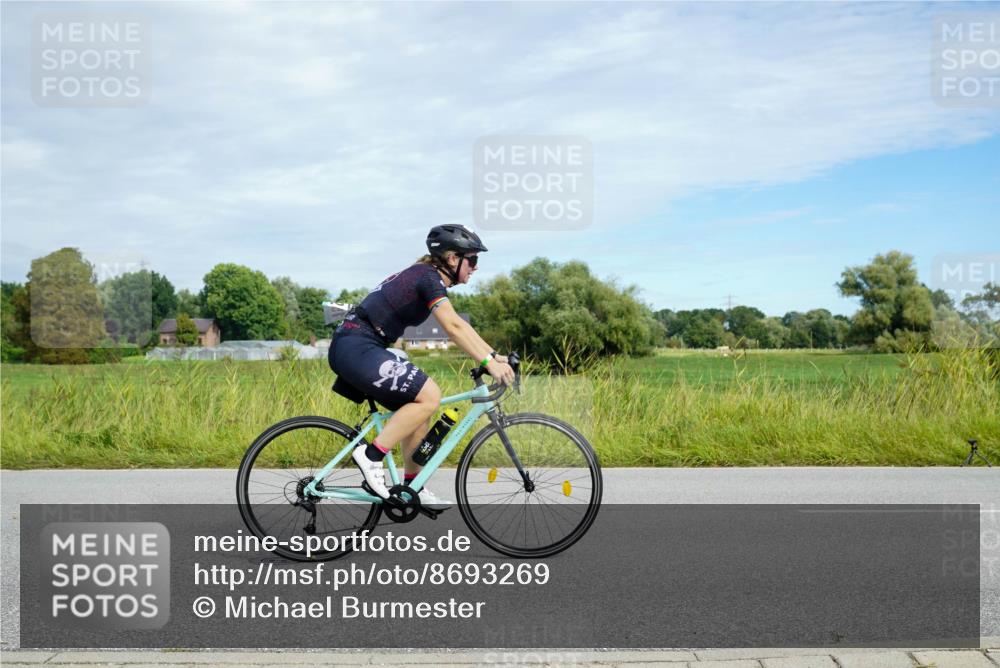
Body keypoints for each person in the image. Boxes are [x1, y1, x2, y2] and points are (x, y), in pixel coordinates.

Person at [327, 224, 516, 510]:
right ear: (453, 258)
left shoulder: (428, 276)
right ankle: (371, 455)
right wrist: (488, 363)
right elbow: (452, 327)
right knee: (430, 395)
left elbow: (460, 324)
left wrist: (493, 355)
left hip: (363, 345)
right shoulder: (427, 277)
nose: (475, 267)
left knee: (420, 404)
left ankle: (412, 486)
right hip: (356, 345)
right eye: (472, 260)